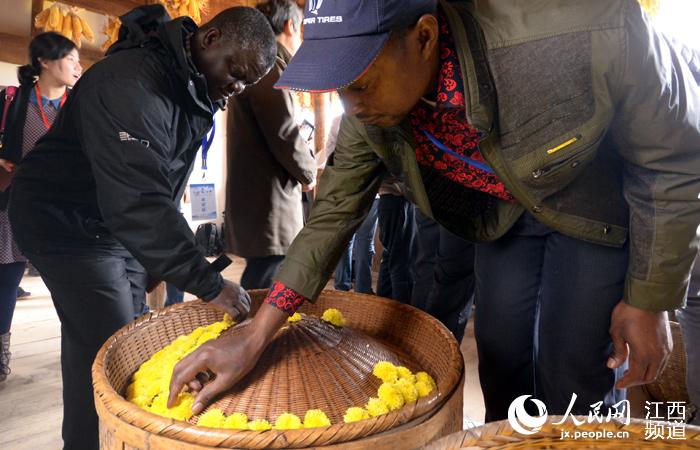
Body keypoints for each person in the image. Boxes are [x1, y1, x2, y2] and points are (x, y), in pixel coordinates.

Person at [169, 0, 700, 425]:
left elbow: (672, 164)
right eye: (341, 90)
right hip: (502, 215)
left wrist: (650, 300)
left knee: (575, 376)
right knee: (502, 360)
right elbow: (331, 217)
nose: (352, 108)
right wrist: (257, 333)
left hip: (591, 206)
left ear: (424, 37)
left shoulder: (588, 28)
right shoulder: (370, 112)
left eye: (359, 83)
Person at [9, 5, 276, 449]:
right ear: (210, 40)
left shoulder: (192, 86)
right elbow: (136, 199)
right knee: (113, 353)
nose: (237, 87)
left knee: (105, 346)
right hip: (66, 224)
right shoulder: (130, 82)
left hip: (110, 224)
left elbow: (159, 180)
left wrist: (152, 257)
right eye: (236, 71)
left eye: (247, 82)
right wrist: (209, 283)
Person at [0, 32, 82, 382]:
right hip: (13, 207)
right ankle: (1, 354)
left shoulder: (78, 105)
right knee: (5, 284)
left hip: (61, 212)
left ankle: (79, 357)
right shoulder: (12, 100)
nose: (79, 66)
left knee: (71, 291)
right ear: (45, 62)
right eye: (71, 58)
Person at [224, 0, 316, 290]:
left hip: (259, 195)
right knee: (267, 280)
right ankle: (256, 333)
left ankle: (255, 331)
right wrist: (309, 171)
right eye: (301, 31)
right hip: (268, 200)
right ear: (290, 26)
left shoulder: (255, 61)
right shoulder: (270, 63)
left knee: (263, 274)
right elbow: (285, 133)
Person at [411, 209, 474, 342]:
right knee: (454, 278)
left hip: (425, 198)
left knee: (425, 268)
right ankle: (439, 352)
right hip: (461, 200)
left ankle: (416, 344)